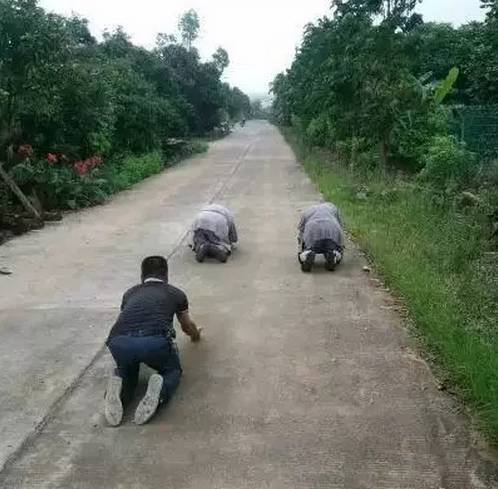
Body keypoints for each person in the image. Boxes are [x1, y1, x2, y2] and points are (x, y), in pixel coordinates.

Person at [104, 256, 201, 427]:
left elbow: (125, 318)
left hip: (118, 341)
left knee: (128, 371)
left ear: (142, 275)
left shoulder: (130, 293)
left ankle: (118, 391)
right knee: (172, 370)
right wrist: (195, 335)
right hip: (154, 342)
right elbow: (186, 326)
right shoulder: (176, 293)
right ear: (166, 274)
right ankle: (160, 391)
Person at [298, 203, 345, 272]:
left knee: (310, 246)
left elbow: (301, 229)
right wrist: (341, 245)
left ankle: (307, 253)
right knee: (333, 247)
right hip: (332, 226)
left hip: (313, 227)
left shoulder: (306, 211)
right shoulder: (333, 207)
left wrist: (301, 244)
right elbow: (340, 225)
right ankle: (334, 254)